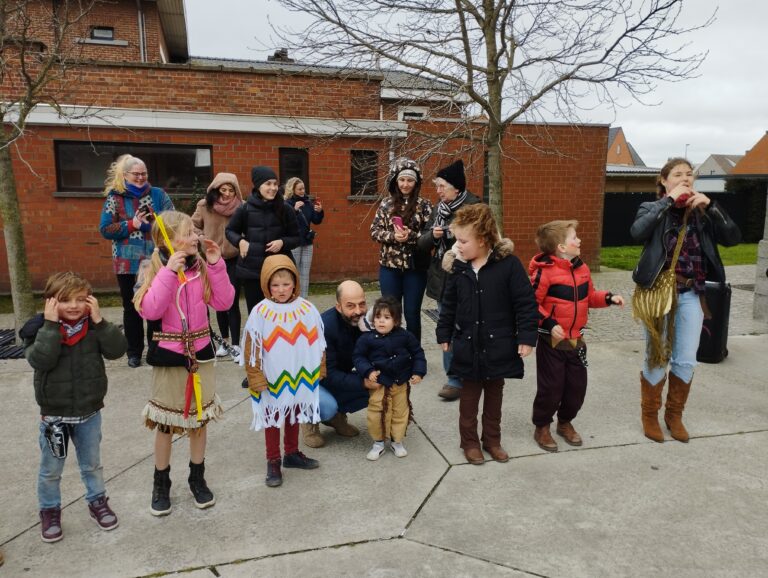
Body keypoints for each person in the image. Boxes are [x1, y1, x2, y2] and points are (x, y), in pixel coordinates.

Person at [631, 158, 740, 443]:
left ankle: (674, 416)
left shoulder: (703, 213)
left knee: (686, 359)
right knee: (657, 356)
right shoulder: (653, 208)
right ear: (664, 181)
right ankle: (650, 415)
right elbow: (637, 231)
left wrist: (712, 208)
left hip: (692, 294)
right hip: (658, 294)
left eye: (689, 174)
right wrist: (668, 201)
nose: (685, 178)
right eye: (677, 174)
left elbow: (733, 238)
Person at [133, 210, 235, 516]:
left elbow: (224, 302)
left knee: (198, 421)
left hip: (200, 353)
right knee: (166, 423)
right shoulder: (152, 268)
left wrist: (216, 265)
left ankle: (197, 477)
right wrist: (168, 272)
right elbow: (150, 311)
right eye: (189, 232)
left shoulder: (202, 266)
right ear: (168, 239)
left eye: (195, 231)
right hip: (170, 355)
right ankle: (160, 482)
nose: (196, 237)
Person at [20, 271, 128, 543]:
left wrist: (100, 321)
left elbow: (117, 350)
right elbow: (41, 360)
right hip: (54, 417)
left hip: (89, 413)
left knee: (91, 464)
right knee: (51, 469)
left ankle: (97, 501)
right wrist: (49, 325)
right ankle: (50, 510)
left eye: (80, 299)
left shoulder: (93, 327)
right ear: (51, 302)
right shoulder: (38, 329)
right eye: (64, 300)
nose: (73, 306)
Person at [436, 204, 538, 465]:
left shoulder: (509, 266)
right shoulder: (459, 268)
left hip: (498, 346)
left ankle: (492, 440)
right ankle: (469, 442)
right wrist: (443, 333)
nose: (457, 246)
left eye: (462, 241)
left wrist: (526, 337)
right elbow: (448, 304)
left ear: (482, 240)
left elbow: (525, 303)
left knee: (494, 397)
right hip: (468, 346)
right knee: (469, 399)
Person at [528, 220, 625, 452]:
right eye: (574, 238)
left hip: (576, 340)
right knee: (551, 388)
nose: (579, 240)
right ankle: (542, 426)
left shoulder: (582, 269)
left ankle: (565, 422)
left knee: (576, 388)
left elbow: (590, 296)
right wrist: (549, 323)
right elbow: (530, 303)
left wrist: (609, 298)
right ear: (561, 247)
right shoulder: (544, 272)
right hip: (551, 341)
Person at [242, 255, 326, 487]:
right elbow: (252, 346)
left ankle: (291, 453)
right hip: (272, 378)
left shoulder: (307, 309)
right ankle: (273, 460)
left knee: (294, 412)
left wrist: (320, 367)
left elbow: (318, 341)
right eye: (275, 285)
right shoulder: (260, 312)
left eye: (286, 284)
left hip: (299, 375)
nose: (281, 290)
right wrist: (255, 376)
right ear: (266, 285)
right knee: (272, 417)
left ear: (295, 283)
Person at [99, 154, 174, 368]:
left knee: (156, 306)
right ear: (125, 175)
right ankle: (133, 352)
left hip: (155, 261)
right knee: (131, 308)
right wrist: (132, 224)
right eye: (136, 174)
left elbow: (172, 221)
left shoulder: (158, 195)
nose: (141, 178)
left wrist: (152, 224)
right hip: (126, 263)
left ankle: (156, 349)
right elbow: (105, 229)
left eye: (144, 173)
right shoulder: (115, 197)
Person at [417, 159, 481, 401]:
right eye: (437, 186)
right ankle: (453, 379)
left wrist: (462, 235)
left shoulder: (475, 207)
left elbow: (487, 240)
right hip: (443, 279)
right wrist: (432, 237)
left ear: (456, 187)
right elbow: (421, 243)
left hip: (469, 277)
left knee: (470, 327)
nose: (438, 191)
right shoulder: (438, 209)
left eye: (442, 186)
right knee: (448, 327)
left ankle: (473, 371)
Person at [300, 280, 376, 448]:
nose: (358, 311)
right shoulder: (325, 327)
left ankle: (337, 418)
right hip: (312, 381)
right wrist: (362, 381)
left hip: (337, 374)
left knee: (380, 383)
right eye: (350, 306)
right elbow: (330, 374)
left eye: (362, 304)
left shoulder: (367, 322)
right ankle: (309, 420)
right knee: (328, 406)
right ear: (338, 306)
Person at [353, 296, 427, 460]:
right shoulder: (367, 338)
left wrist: (418, 372)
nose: (381, 321)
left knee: (400, 412)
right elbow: (358, 357)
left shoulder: (405, 336)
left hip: (400, 382)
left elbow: (417, 353)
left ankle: (397, 441)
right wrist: (367, 371)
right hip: (379, 383)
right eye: (378, 317)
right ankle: (378, 442)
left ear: (397, 320)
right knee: (376, 412)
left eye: (387, 318)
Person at [370, 158, 433, 341]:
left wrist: (411, 235)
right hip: (389, 267)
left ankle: (414, 355)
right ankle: (390, 351)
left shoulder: (425, 205)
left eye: (410, 180)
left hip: (416, 268)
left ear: (417, 182)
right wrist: (392, 236)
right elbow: (374, 231)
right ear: (395, 181)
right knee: (389, 312)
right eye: (402, 180)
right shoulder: (386, 204)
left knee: (412, 313)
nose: (405, 184)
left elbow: (430, 236)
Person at [225, 166, 300, 313]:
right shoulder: (244, 209)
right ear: (258, 186)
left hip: (279, 270)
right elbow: (229, 231)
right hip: (253, 272)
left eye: (275, 184)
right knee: (257, 313)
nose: (273, 188)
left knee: (281, 313)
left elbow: (297, 238)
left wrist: (282, 242)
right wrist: (240, 241)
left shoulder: (286, 209)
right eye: (268, 184)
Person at [192, 172, 245, 362]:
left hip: (234, 258)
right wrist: (201, 238)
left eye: (231, 190)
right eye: (224, 189)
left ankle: (236, 343)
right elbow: (192, 225)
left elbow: (246, 228)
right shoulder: (204, 206)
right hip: (212, 260)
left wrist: (242, 241)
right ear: (216, 189)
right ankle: (224, 341)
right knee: (218, 302)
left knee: (231, 301)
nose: (227, 194)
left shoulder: (242, 207)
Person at [284, 177, 324, 298]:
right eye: (299, 189)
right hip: (294, 243)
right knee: (293, 272)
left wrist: (319, 211)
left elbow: (316, 221)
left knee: (305, 274)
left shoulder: (308, 203)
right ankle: (292, 298)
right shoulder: (286, 204)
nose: (302, 191)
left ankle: (304, 300)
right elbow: (285, 223)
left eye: (303, 188)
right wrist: (294, 210)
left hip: (307, 242)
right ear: (292, 189)